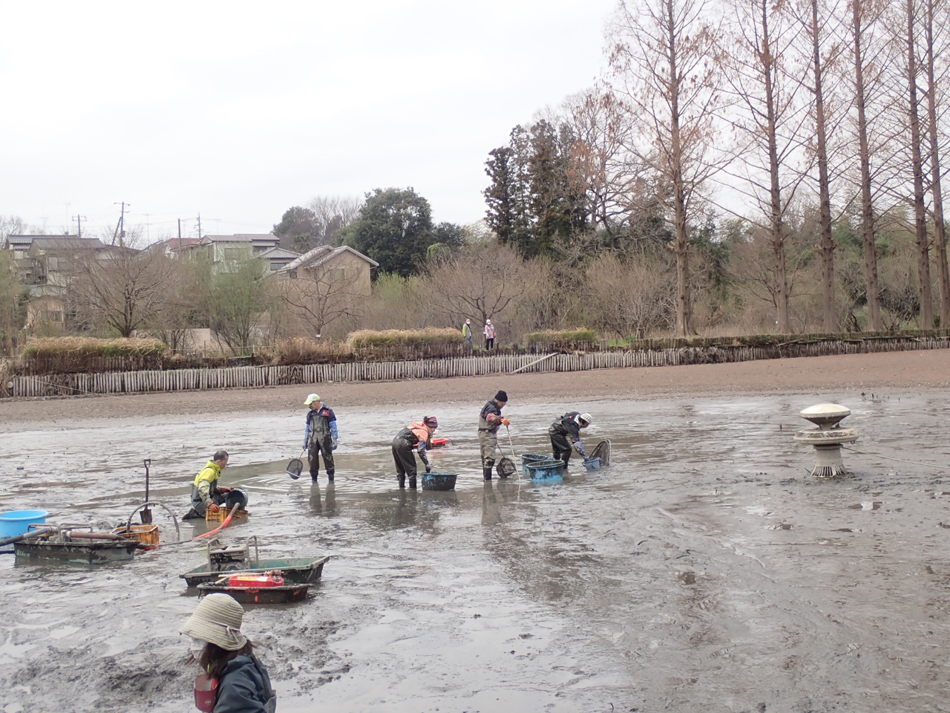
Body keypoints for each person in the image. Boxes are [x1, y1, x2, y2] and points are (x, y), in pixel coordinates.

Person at [181, 593, 277, 713]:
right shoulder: (246, 660)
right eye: (191, 638)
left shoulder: (234, 687)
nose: (193, 647)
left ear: (216, 642)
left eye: (197, 639)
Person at [184, 450, 248, 520]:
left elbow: (211, 488)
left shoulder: (214, 470)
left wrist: (222, 489)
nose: (225, 465)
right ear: (218, 462)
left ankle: (237, 511)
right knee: (216, 511)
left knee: (229, 495)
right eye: (225, 462)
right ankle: (196, 514)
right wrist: (210, 504)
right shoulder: (209, 472)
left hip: (208, 497)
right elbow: (202, 489)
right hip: (200, 501)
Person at [391, 416, 438, 489]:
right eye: (434, 429)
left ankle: (401, 489)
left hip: (394, 442)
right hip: (404, 444)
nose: (433, 431)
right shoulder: (424, 432)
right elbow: (421, 451)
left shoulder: (418, 426)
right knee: (412, 470)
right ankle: (413, 491)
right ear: (431, 427)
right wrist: (426, 463)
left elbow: (411, 438)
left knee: (400, 470)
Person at [303, 394, 338, 483]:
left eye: (311, 404)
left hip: (325, 438)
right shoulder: (310, 414)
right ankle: (314, 480)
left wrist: (335, 438)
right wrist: (305, 440)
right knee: (312, 461)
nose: (309, 406)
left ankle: (331, 479)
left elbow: (333, 426)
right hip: (312, 440)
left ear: (317, 402)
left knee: (328, 459)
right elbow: (307, 428)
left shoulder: (328, 411)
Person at [478, 390, 510, 481]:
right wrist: (501, 420)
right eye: (503, 403)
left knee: (485, 458)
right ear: (499, 401)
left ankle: (486, 480)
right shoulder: (491, 408)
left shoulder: (489, 405)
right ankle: (488, 480)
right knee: (489, 459)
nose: (504, 405)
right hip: (487, 434)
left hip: (484, 434)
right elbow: (490, 417)